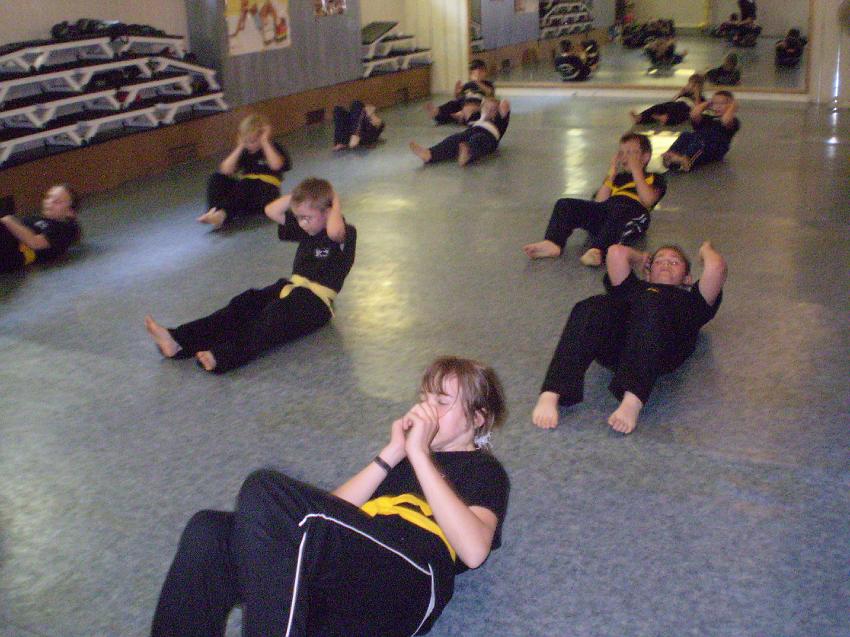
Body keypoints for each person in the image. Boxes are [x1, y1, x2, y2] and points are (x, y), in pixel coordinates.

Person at [150, 356, 510, 637]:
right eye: (423, 399)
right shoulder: (401, 461)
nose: (424, 411)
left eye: (441, 402)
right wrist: (391, 455)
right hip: (351, 570)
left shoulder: (483, 469)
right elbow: (326, 512)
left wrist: (419, 455)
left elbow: (474, 551)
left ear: (478, 417)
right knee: (209, 531)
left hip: (409, 577)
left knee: (266, 489)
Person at [146, 178, 354, 373]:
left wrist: (333, 199)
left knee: (271, 318)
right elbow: (271, 210)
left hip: (315, 303)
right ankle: (179, 340)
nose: (302, 223)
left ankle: (223, 355)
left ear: (328, 212)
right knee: (244, 304)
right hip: (289, 287)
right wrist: (299, 197)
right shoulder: (306, 229)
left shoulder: (344, 233)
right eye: (299, 217)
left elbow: (334, 232)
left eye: (307, 218)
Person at [532, 241, 727, 435]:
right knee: (592, 305)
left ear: (687, 278)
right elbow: (615, 252)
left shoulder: (693, 301)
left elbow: (716, 267)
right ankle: (552, 393)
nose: (666, 264)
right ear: (648, 272)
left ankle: (632, 400)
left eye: (675, 262)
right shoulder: (633, 287)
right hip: (618, 348)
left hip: (659, 352)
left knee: (652, 305)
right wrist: (642, 258)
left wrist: (705, 250)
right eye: (659, 261)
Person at [523, 133, 666, 266]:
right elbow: (599, 202)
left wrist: (636, 171)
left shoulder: (655, 178)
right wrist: (611, 175)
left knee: (619, 210)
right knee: (564, 204)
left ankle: (598, 250)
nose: (624, 157)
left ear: (645, 157)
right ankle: (553, 243)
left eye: (630, 152)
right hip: (607, 210)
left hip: (633, 214)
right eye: (621, 153)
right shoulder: (618, 178)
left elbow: (648, 200)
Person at [197, 113, 291, 229]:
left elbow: (276, 165)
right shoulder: (244, 151)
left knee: (248, 185)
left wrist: (265, 142)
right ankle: (214, 212)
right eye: (246, 142)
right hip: (245, 192)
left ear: (262, 136)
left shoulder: (273, 147)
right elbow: (225, 170)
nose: (250, 145)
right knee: (217, 178)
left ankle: (223, 214)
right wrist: (240, 147)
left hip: (265, 194)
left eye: (253, 141)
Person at [0, 184, 81, 273]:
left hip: (12, 249)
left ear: (70, 212)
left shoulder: (64, 229)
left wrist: (7, 220)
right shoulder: (37, 218)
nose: (49, 202)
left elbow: (34, 242)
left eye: (57, 201)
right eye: (48, 197)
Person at [410, 98, 510, 167]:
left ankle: (468, 154)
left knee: (477, 139)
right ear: (482, 108)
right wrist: (459, 115)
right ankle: (430, 154)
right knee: (454, 139)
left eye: (493, 109)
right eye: (487, 108)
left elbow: (505, 106)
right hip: (470, 131)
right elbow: (463, 117)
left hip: (489, 137)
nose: (489, 111)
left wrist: (501, 107)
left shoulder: (499, 121)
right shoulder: (476, 117)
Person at [662, 90, 740, 172]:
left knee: (703, 138)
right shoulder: (708, 118)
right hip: (698, 145)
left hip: (714, 149)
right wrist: (708, 103)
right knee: (686, 135)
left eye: (722, 104)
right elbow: (694, 114)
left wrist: (733, 107)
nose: (717, 107)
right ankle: (673, 155)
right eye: (715, 103)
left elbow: (725, 121)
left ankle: (687, 160)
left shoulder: (733, 121)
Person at [424, 59, 495, 126]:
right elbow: (458, 96)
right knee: (453, 103)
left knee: (472, 107)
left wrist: (477, 82)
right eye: (474, 73)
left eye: (480, 73)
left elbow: (489, 92)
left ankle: (459, 116)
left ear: (485, 73)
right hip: (464, 101)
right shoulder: (468, 85)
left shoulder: (487, 83)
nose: (477, 75)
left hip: (477, 103)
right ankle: (437, 112)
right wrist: (457, 92)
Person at [630, 73, 705, 126]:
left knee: (681, 114)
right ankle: (640, 117)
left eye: (693, 85)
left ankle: (665, 118)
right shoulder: (685, 94)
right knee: (658, 107)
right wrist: (679, 93)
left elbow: (698, 109)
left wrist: (697, 94)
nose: (690, 86)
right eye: (689, 84)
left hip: (685, 107)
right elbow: (673, 101)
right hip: (674, 104)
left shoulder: (700, 97)